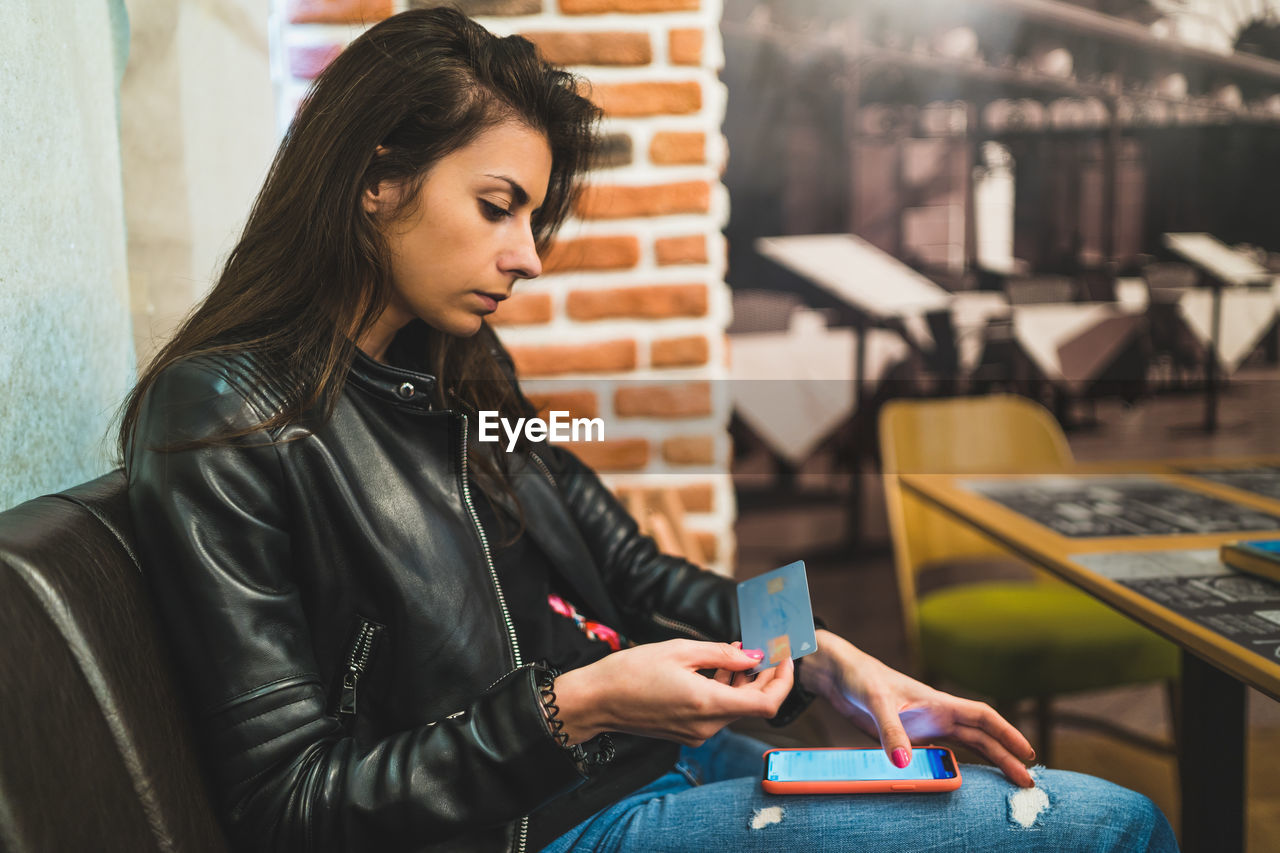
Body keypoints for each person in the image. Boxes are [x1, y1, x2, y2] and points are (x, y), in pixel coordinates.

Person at [121, 8, 1178, 852]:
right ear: (372, 179)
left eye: (532, 217)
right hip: (547, 823)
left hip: (633, 769)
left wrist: (819, 653)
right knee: (1114, 825)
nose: (528, 256)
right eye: (497, 206)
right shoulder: (226, 419)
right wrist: (571, 710)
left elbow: (631, 570)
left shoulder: (456, 374)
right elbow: (288, 808)